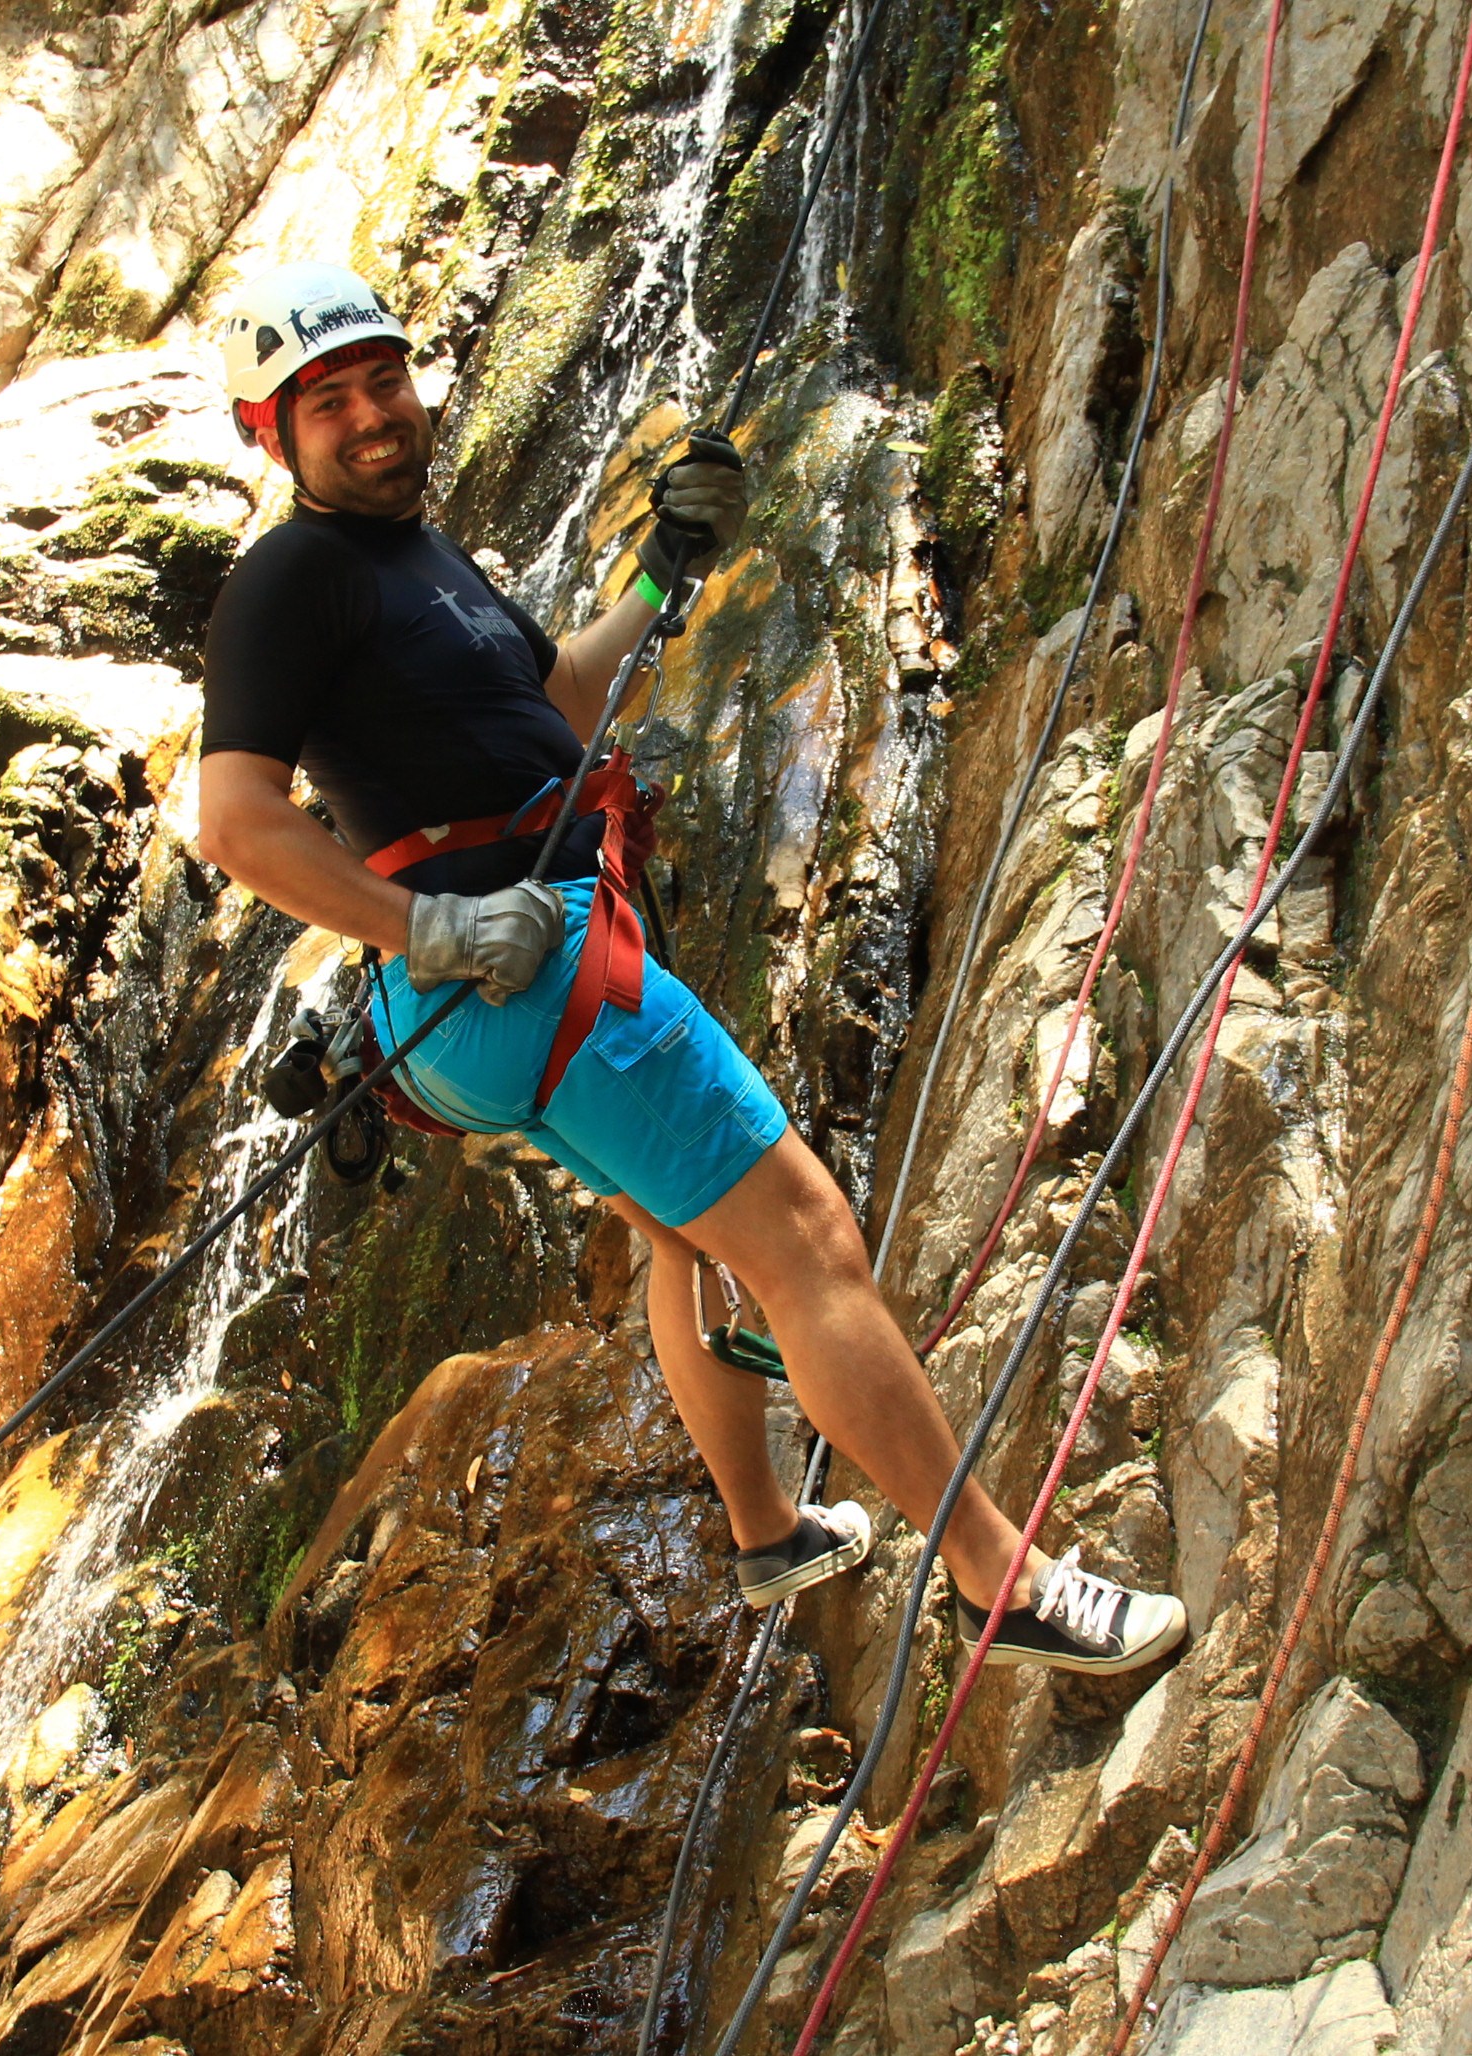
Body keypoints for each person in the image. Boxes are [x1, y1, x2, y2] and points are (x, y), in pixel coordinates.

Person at [193, 263, 1191, 1675]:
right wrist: (427, 929)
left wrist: (666, 567)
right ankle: (1000, 1582)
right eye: (327, 403)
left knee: (685, 1233)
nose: (370, 417)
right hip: (522, 971)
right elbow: (236, 821)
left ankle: (768, 1529)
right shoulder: (289, 578)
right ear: (272, 435)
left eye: (382, 380)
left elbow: (559, 708)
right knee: (805, 1243)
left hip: (490, 997)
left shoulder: (413, 561)